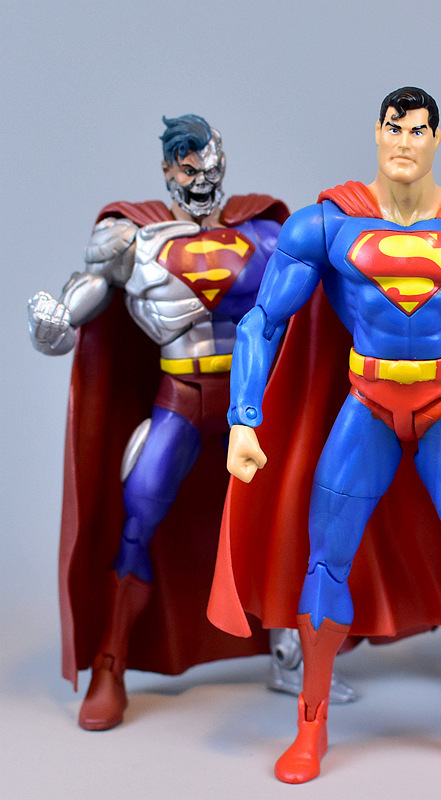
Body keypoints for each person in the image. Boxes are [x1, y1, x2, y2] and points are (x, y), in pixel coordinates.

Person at [209, 87, 441, 782]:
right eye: (394, 128)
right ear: (377, 133)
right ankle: (310, 725)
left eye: (418, 130)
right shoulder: (326, 224)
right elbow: (262, 322)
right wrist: (244, 417)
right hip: (366, 407)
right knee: (325, 562)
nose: (405, 141)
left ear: (437, 139)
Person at [27, 114, 297, 730]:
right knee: (140, 511)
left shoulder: (266, 235)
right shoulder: (132, 241)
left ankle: (293, 650)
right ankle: (111, 660)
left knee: (287, 513)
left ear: (222, 163)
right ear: (168, 171)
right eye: (186, 167)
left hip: (249, 405)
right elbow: (79, 302)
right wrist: (55, 324)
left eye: (208, 165)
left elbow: (320, 302)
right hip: (179, 398)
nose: (199, 179)